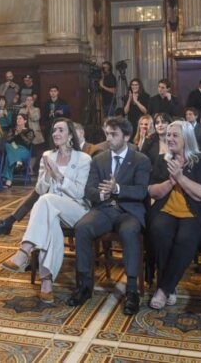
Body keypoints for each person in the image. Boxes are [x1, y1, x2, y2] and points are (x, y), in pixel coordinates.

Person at [0, 118, 92, 303]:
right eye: (54, 130)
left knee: (46, 201)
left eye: (61, 130)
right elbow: (40, 190)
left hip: (76, 209)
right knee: (50, 223)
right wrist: (48, 176)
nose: (56, 133)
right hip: (49, 210)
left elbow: (79, 193)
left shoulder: (83, 158)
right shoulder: (47, 155)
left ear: (70, 135)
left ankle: (24, 251)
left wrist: (59, 175)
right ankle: (46, 282)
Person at [69, 117, 151, 315]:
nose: (109, 138)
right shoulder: (99, 159)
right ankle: (85, 285)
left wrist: (117, 189)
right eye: (107, 134)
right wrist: (101, 195)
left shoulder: (140, 159)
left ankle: (131, 291)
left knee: (129, 232)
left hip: (128, 211)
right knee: (82, 228)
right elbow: (89, 190)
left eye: (114, 134)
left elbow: (141, 191)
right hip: (104, 209)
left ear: (127, 136)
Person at [146, 121, 201, 310]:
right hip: (166, 209)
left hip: (194, 213)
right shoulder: (162, 160)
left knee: (186, 238)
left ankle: (163, 289)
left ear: (187, 138)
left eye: (175, 135)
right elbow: (152, 191)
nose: (169, 138)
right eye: (168, 135)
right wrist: (170, 182)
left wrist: (180, 178)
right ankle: (169, 287)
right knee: (159, 231)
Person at [1, 114, 35, 188]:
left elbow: (28, 142)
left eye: (20, 118)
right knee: (6, 145)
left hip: (23, 150)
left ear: (25, 121)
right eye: (17, 118)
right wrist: (14, 135)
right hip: (13, 147)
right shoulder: (13, 130)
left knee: (8, 157)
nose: (18, 120)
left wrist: (20, 134)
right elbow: (8, 140)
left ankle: (8, 180)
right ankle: (18, 161)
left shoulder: (29, 131)